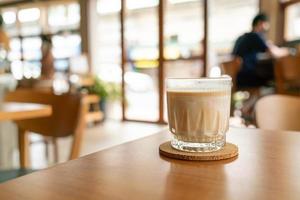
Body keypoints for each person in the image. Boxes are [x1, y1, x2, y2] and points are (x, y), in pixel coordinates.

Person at [232, 13, 289, 88]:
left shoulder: (242, 37)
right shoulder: (255, 36)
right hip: (248, 76)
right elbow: (273, 52)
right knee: (274, 76)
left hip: (237, 76)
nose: (267, 28)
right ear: (260, 23)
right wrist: (287, 50)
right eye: (266, 24)